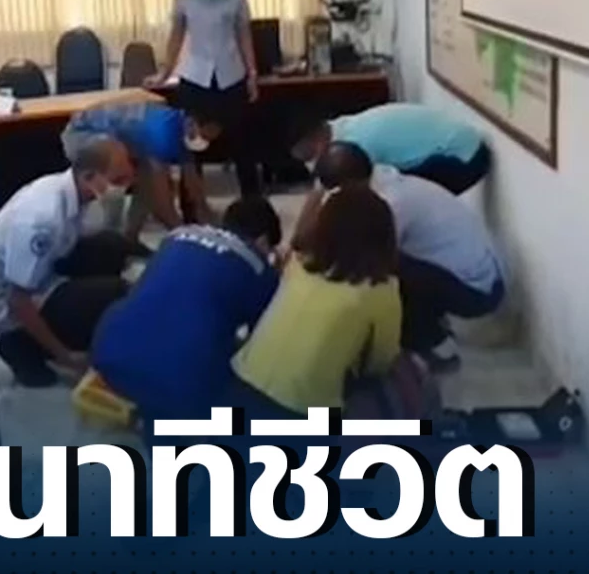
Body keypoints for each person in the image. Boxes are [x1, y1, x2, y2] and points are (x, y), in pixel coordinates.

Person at [302, 142, 505, 373]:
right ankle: (427, 334)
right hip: (469, 273)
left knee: (378, 270)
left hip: (477, 290)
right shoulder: (380, 179)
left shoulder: (390, 203)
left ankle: (436, 345)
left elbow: (358, 260)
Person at [91, 197, 284, 426]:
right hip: (182, 383)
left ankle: (151, 412)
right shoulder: (258, 266)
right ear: (263, 240)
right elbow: (261, 344)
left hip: (108, 355)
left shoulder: (179, 235)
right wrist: (276, 278)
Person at [228, 185, 402, 421]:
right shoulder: (381, 290)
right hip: (300, 413)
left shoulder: (298, 264)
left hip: (238, 387)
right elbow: (381, 362)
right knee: (404, 375)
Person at [0, 136, 139, 387]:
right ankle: (22, 344)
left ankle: (73, 325)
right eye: (118, 180)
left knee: (112, 246)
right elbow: (17, 300)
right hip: (13, 306)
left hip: (43, 272)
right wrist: (65, 356)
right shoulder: (42, 219)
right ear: (89, 177)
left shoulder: (73, 189)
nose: (126, 187)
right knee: (113, 294)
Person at [151, 0, 263, 196]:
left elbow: (244, 33)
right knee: (192, 147)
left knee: (243, 145)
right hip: (195, 76)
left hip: (231, 74)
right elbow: (177, 34)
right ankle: (193, 207)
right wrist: (165, 72)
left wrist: (252, 73)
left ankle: (252, 204)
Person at [61, 94, 221, 238]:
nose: (204, 142)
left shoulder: (185, 132)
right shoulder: (163, 134)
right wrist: (184, 236)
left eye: (209, 139)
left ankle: (129, 237)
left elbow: (194, 187)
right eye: (204, 135)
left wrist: (214, 230)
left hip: (119, 138)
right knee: (126, 172)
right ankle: (111, 233)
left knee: (145, 182)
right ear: (191, 123)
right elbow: (162, 203)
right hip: (82, 134)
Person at [291, 102, 490, 195]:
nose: (308, 164)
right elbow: (321, 190)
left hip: (464, 157)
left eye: (306, 157)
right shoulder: (337, 128)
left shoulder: (356, 148)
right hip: (462, 143)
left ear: (315, 141)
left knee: (381, 210)